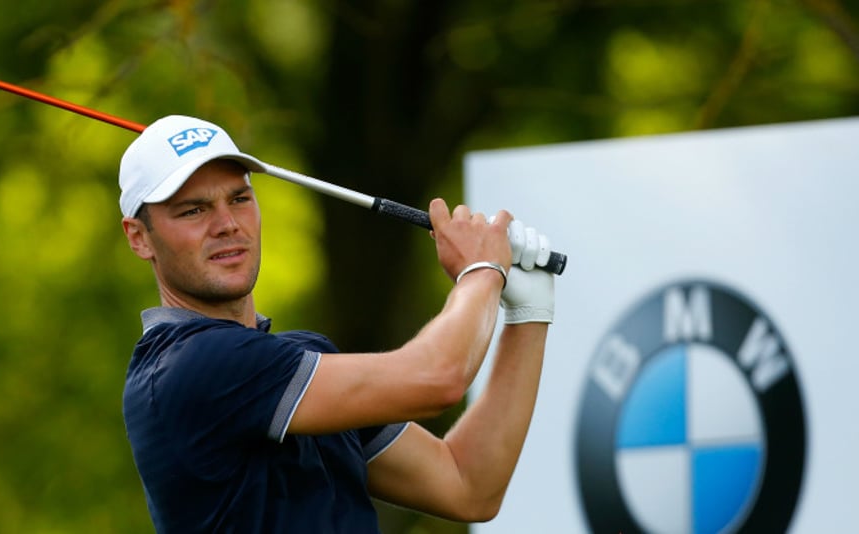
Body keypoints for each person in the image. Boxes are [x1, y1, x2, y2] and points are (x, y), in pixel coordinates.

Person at [118, 115, 556, 532]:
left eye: (239, 198)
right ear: (139, 237)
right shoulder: (189, 364)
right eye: (193, 211)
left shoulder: (300, 360)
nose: (227, 224)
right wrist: (481, 271)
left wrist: (527, 316)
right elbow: (437, 378)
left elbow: (467, 487)